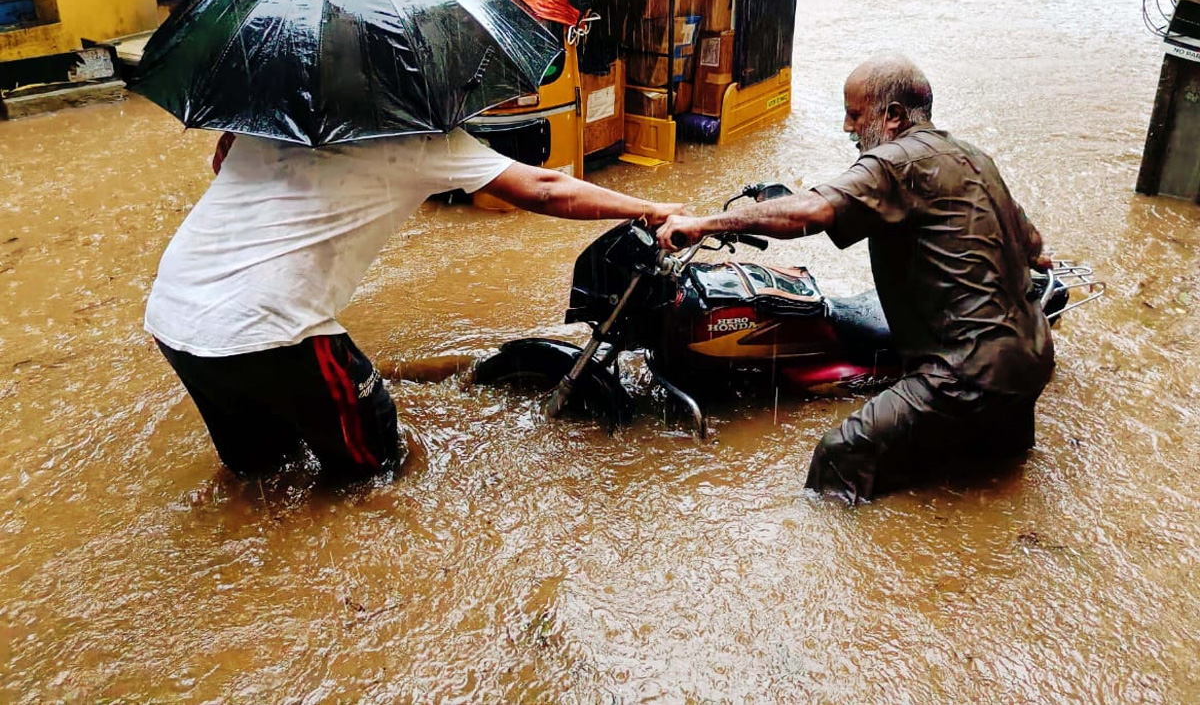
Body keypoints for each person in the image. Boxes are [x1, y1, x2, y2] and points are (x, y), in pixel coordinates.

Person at [147, 128, 683, 479]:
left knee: (263, 469)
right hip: (273, 327)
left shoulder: (271, 121)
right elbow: (541, 188)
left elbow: (224, 168)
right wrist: (650, 208)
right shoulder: (420, 135)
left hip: (175, 316)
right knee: (378, 466)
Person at [657, 54, 1054, 503]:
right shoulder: (974, 158)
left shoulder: (895, 161)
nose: (847, 127)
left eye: (855, 114)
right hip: (1033, 355)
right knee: (992, 473)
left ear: (894, 116)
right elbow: (1034, 244)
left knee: (839, 454)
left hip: (965, 371)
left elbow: (812, 210)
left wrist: (707, 223)